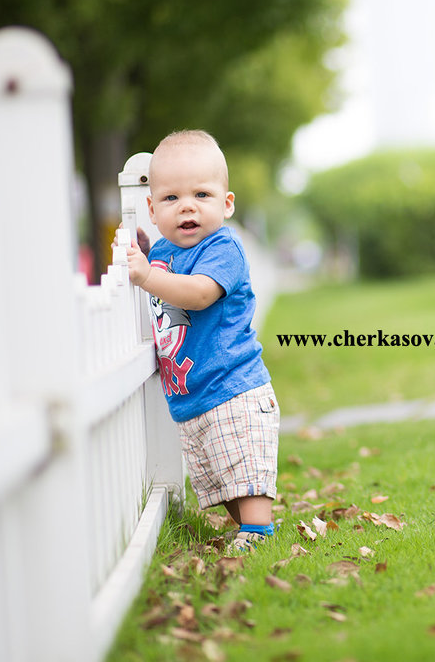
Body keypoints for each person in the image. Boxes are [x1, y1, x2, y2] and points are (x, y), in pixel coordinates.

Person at [118, 129, 279, 553]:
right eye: (171, 199)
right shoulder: (163, 254)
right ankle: (245, 527)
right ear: (152, 210)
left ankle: (259, 531)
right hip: (192, 396)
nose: (187, 206)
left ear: (226, 204)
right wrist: (144, 259)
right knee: (221, 477)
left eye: (201, 195)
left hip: (233, 386)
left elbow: (200, 293)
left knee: (243, 464)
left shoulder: (223, 247)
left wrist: (149, 276)